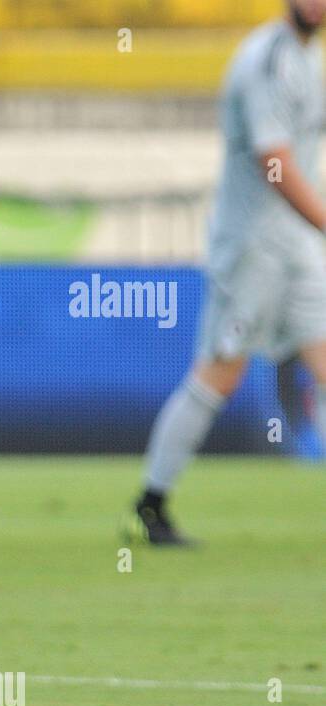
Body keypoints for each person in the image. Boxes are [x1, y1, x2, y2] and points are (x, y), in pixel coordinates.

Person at [134, 0, 326, 545]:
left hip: (297, 247)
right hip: (251, 251)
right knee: (219, 374)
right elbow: (276, 164)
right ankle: (150, 505)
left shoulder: (306, 59)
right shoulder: (267, 60)